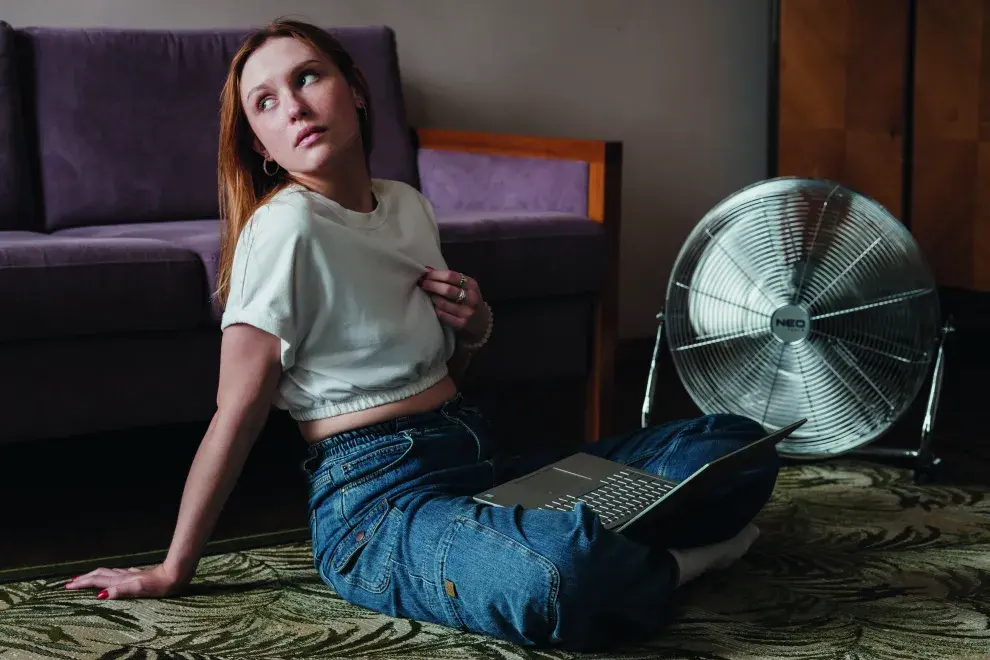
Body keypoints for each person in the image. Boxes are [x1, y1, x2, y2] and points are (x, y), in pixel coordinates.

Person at [65, 18, 780, 652]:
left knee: (734, 445)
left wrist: (475, 327)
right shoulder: (284, 230)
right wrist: (171, 567)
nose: (296, 106)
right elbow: (237, 411)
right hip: (375, 505)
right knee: (562, 575)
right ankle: (686, 559)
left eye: (308, 76)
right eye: (267, 102)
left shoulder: (406, 205)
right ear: (262, 147)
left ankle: (596, 536)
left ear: (356, 89)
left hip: (477, 459)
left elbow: (441, 369)